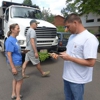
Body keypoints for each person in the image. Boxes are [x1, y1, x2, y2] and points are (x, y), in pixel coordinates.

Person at [59, 13, 99, 100]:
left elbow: (91, 63)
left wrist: (70, 58)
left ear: (75, 23)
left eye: (68, 26)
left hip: (77, 79)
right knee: (68, 98)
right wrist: (61, 55)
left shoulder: (89, 39)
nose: (66, 29)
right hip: (67, 76)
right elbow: (69, 52)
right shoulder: (72, 37)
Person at [5, 24, 23, 100]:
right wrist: (13, 68)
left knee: (15, 79)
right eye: (17, 28)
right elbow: (9, 55)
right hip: (15, 64)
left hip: (17, 62)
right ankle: (18, 98)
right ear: (12, 29)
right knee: (20, 81)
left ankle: (14, 94)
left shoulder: (15, 39)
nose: (19, 30)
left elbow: (14, 51)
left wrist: (22, 51)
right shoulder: (10, 40)